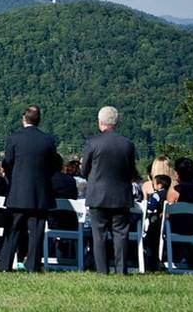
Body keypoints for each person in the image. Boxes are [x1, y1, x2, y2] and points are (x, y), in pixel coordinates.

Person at [0, 106, 61, 273]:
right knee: (36, 231)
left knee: (12, 230)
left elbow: (8, 161)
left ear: (24, 119)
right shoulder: (48, 140)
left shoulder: (14, 138)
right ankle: (33, 265)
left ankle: (5, 265)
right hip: (40, 192)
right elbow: (54, 164)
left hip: (18, 191)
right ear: (38, 120)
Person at [81, 105, 136, 275]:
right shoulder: (127, 144)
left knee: (99, 235)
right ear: (116, 122)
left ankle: (102, 270)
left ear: (100, 122)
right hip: (121, 195)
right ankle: (121, 270)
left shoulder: (93, 143)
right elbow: (131, 170)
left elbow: (84, 170)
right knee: (121, 234)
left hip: (98, 194)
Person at [144, 174, 171, 271]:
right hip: (165, 224)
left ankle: (150, 264)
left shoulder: (156, 195)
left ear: (159, 185)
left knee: (149, 242)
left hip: (155, 223)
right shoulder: (169, 194)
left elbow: (150, 208)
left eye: (154, 183)